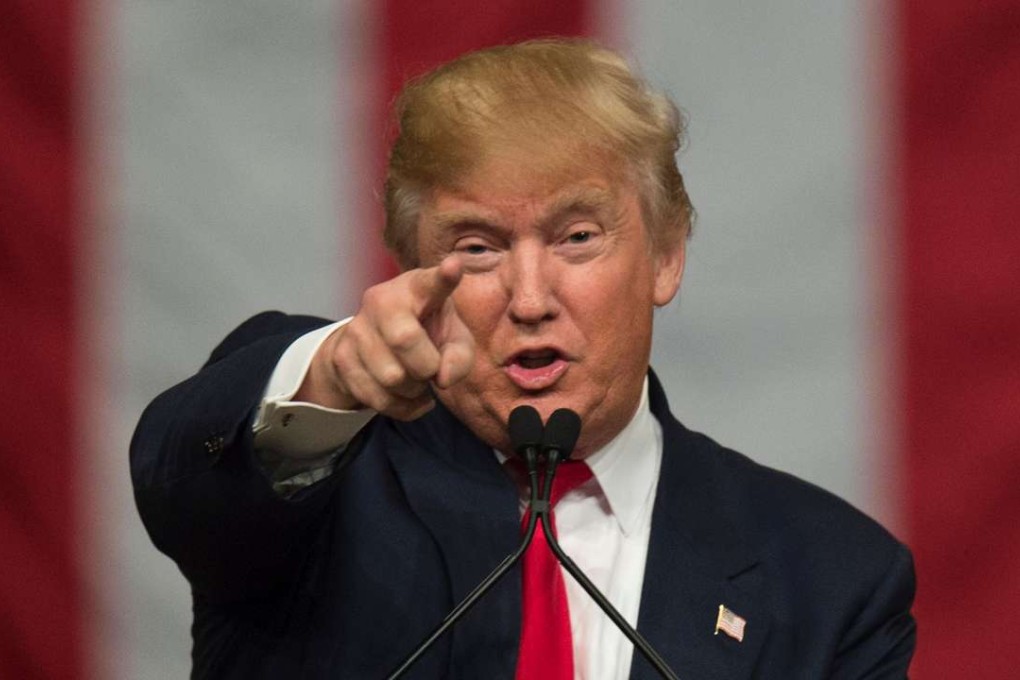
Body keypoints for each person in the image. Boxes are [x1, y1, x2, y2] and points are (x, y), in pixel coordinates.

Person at [131, 39, 916, 679]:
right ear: (410, 269)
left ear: (667, 256)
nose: (530, 296)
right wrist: (335, 373)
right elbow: (183, 473)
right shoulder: (316, 484)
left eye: (578, 237)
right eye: (477, 248)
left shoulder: (831, 580)